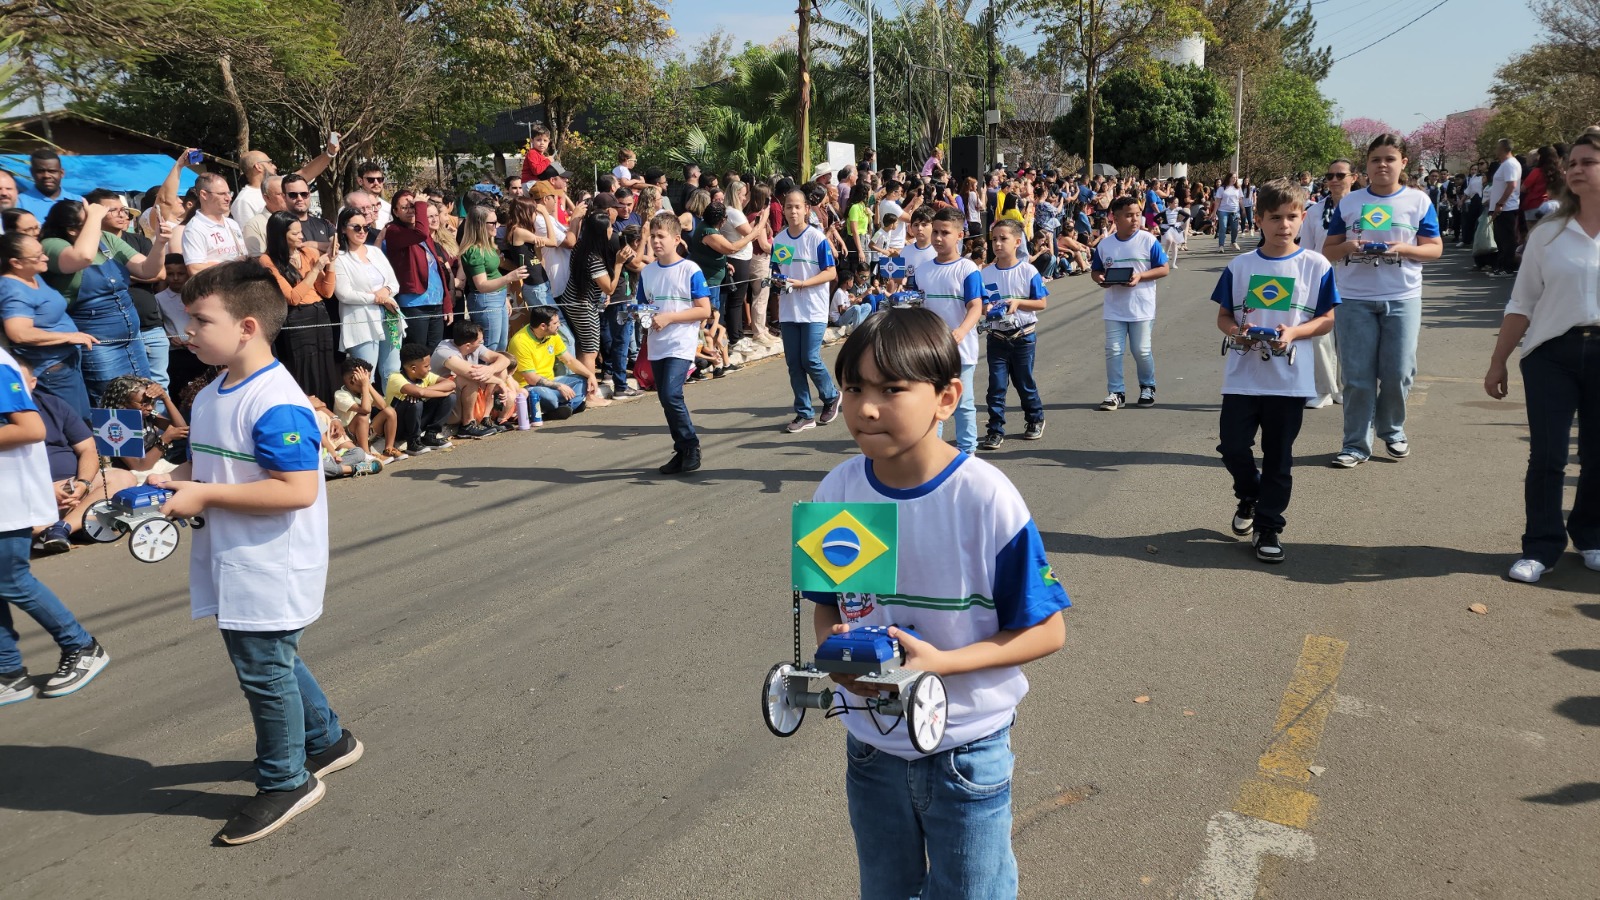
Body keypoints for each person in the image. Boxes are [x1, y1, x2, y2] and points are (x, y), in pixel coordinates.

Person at [807, 308, 1068, 899]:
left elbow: (1048, 631)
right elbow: (827, 606)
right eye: (853, 388)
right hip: (872, 749)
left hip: (966, 750)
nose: (866, 408)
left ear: (947, 397)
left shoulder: (984, 497)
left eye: (892, 389)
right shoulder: (838, 492)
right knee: (885, 889)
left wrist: (941, 665)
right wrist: (834, 651)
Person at [147, 260, 361, 844]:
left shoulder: (275, 401)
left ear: (246, 327)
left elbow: (297, 489)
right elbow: (217, 464)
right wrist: (163, 477)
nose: (186, 330)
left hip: (271, 558)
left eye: (199, 319)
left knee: (263, 669)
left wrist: (203, 493)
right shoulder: (217, 390)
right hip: (234, 551)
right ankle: (328, 740)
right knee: (274, 658)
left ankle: (286, 780)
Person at [1484, 132, 1600, 584]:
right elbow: (1521, 302)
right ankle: (1541, 546)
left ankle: (1590, 535)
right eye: (1572, 162)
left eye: (1588, 162)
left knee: (1597, 454)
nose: (1575, 169)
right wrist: (1498, 361)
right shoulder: (1548, 232)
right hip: (1553, 353)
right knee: (1548, 455)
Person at [1211, 179, 1340, 563]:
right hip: (1242, 376)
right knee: (1232, 446)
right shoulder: (1240, 265)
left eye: (1292, 217)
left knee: (1279, 456)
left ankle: (1269, 526)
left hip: (1288, 380)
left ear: (1303, 218)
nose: (1284, 225)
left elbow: (1327, 319)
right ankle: (1249, 495)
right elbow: (1222, 316)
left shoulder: (1316, 265)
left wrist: (1295, 332)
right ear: (1260, 220)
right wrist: (1238, 332)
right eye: (1275, 218)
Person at [1321, 133, 1443, 468]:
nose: (1382, 165)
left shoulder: (1418, 201)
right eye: (1376, 159)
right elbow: (1328, 251)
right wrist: (1349, 247)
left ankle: (1392, 431)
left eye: (1390, 159)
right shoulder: (1349, 203)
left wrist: (1404, 249)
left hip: (1402, 297)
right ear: (1366, 166)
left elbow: (1434, 248)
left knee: (1399, 372)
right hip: (1354, 299)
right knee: (1357, 376)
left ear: (1403, 163)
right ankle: (1355, 444)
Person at [0, 342, 111, 707]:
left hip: (10, 497)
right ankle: (9, 673)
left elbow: (30, 428)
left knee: (11, 578)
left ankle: (81, 647)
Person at [42, 199, 173, 403]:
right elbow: (83, 257)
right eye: (90, 222)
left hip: (133, 338)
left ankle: (152, 436)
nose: (97, 226)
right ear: (71, 230)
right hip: (99, 343)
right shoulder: (53, 244)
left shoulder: (106, 239)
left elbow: (148, 270)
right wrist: (95, 215)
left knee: (145, 397)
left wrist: (160, 244)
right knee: (113, 402)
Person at [21, 361, 138, 551]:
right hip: (23, 494)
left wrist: (83, 484)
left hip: (71, 487)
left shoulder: (53, 404)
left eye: (15, 381)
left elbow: (88, 449)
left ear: (33, 382)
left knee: (122, 477)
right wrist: (42, 490)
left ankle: (60, 528)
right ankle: (78, 523)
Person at [640, 211, 712, 474]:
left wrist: (670, 317)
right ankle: (681, 450)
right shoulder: (647, 272)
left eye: (661, 236)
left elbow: (704, 310)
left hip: (681, 342)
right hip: (657, 344)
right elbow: (644, 308)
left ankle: (691, 445)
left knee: (671, 394)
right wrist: (640, 316)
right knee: (665, 398)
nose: (656, 241)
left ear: (676, 239)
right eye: (653, 236)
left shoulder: (690, 269)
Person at [0, 232, 97, 418]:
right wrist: (68, 337)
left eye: (43, 252)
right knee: (74, 427)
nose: (45, 258)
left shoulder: (32, 274)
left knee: (84, 419)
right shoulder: (13, 290)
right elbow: (19, 333)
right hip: (51, 370)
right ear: (16, 263)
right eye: (37, 256)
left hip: (66, 362)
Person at [772, 186, 842, 433]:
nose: (792, 211)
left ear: (806, 210)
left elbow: (831, 272)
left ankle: (831, 396)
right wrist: (778, 280)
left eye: (797, 206)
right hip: (789, 309)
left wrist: (802, 283)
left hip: (813, 308)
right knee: (794, 362)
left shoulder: (816, 238)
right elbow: (778, 270)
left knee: (810, 358)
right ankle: (804, 414)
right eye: (788, 206)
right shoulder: (780, 240)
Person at [1091, 195, 1170, 410]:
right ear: (1115, 218)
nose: (1135, 219)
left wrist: (1140, 277)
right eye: (1129, 215)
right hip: (1114, 308)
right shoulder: (1105, 245)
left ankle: (1147, 386)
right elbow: (1096, 270)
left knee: (1141, 350)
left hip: (1141, 307)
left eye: (1137, 214)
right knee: (1113, 350)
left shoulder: (1148, 240)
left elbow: (1164, 268)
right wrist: (1100, 279)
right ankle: (1116, 392)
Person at [916, 207, 985, 454]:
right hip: (930, 350)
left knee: (963, 404)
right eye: (935, 231)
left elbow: (976, 305)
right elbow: (916, 304)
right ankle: (933, 452)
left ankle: (968, 453)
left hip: (960, 351)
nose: (937, 237)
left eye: (944, 232)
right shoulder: (923, 270)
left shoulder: (967, 269)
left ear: (959, 235)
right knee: (933, 404)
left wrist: (961, 332)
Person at [978, 219, 1049, 451]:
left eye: (1003, 239)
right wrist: (986, 309)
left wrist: (1018, 303)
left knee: (1024, 382)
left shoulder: (1028, 271)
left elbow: (1041, 303)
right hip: (997, 337)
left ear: (1018, 242)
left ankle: (1035, 418)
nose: (997, 244)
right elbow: (983, 304)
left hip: (1023, 337)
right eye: (994, 239)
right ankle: (995, 430)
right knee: (996, 386)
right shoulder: (986, 273)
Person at [260, 212, 339, 403]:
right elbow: (293, 298)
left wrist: (331, 263)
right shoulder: (267, 260)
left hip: (320, 312)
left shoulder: (309, 253)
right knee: (305, 368)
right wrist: (315, 270)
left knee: (325, 366)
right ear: (280, 235)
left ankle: (328, 414)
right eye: (294, 234)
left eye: (300, 232)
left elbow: (327, 292)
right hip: (297, 318)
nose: (301, 237)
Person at [1300, 159, 1355, 409]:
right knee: (1320, 335)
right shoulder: (1313, 211)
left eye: (1340, 175)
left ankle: (1344, 387)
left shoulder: (1364, 209)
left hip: (1355, 277)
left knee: (1348, 335)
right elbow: (1306, 249)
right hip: (1321, 276)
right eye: (1329, 175)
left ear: (1353, 177)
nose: (1334, 180)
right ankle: (1323, 388)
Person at [332, 208, 403, 387]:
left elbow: (394, 283)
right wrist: (377, 298)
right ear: (343, 229)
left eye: (366, 227)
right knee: (365, 377)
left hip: (390, 317)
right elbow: (344, 293)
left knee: (392, 371)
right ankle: (367, 414)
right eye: (356, 227)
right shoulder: (340, 258)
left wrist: (385, 292)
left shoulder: (375, 252)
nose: (363, 231)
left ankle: (392, 413)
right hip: (361, 322)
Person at [382, 191, 452, 353]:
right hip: (414, 304)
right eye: (405, 207)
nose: (411, 210)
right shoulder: (393, 230)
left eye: (413, 206)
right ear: (395, 212)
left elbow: (437, 271)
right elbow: (420, 233)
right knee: (418, 354)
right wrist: (421, 204)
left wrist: (446, 303)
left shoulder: (423, 233)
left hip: (436, 302)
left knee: (435, 354)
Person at [431, 319, 518, 437]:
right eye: (480, 341)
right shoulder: (445, 352)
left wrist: (491, 369)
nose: (482, 343)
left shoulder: (474, 346)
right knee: (469, 380)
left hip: (466, 398)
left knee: (500, 369)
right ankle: (467, 426)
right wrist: (499, 382)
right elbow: (473, 374)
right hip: (446, 405)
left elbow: (504, 359)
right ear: (468, 345)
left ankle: (486, 419)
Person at [459, 205, 526, 353]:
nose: (497, 226)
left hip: (498, 298)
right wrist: (510, 277)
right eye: (493, 223)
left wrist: (505, 298)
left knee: (501, 346)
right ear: (480, 225)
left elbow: (495, 272)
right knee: (490, 348)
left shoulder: (488, 245)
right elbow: (481, 285)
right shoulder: (474, 251)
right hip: (486, 300)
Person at [508, 306, 594, 420]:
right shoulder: (520, 342)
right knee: (550, 398)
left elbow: (569, 360)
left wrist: (590, 375)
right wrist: (559, 386)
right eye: (556, 322)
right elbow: (531, 378)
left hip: (551, 381)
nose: (559, 325)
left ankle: (564, 409)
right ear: (543, 326)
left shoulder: (553, 335)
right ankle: (564, 407)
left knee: (583, 381)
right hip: (530, 386)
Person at [385, 343, 456, 454]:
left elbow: (450, 385)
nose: (430, 368)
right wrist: (442, 393)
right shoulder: (395, 377)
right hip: (398, 426)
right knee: (414, 401)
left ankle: (430, 436)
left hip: (417, 422)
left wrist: (429, 391)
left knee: (450, 397)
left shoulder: (426, 376)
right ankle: (412, 442)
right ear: (413, 369)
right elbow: (419, 392)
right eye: (426, 366)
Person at [331, 358, 403, 463]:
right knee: (363, 416)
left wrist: (367, 385)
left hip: (366, 431)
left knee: (389, 411)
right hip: (349, 436)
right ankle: (366, 455)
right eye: (364, 379)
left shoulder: (364, 391)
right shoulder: (340, 394)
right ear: (353, 379)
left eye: (368, 379)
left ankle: (389, 449)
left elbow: (383, 406)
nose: (367, 382)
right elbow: (365, 409)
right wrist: (365, 386)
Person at [182, 173, 248, 274]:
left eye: (229, 193)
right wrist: (229, 265)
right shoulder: (194, 228)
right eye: (222, 194)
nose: (228, 198)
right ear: (204, 195)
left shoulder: (232, 223)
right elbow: (194, 269)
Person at [1487, 139, 1523, 277]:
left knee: (1507, 239)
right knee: (1500, 239)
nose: (1495, 149)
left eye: (1497, 147)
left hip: (1507, 208)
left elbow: (1512, 185)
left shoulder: (1510, 164)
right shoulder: (1504, 164)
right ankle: (1501, 266)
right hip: (1501, 208)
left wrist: (1500, 203)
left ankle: (1508, 268)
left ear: (1503, 148)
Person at [15, 150, 84, 220]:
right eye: (40, 171)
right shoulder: (19, 203)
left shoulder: (78, 201)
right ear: (32, 172)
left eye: (52, 171)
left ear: (62, 173)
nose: (46, 176)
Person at [1212, 174, 1244, 251]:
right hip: (1223, 210)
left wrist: (1243, 209)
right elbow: (1217, 201)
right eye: (1233, 177)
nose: (1234, 179)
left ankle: (1233, 242)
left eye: (1236, 178)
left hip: (1234, 210)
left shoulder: (1238, 188)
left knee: (1235, 228)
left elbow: (1240, 200)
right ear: (1229, 178)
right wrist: (1214, 212)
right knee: (1223, 227)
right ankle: (1221, 245)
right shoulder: (1222, 188)